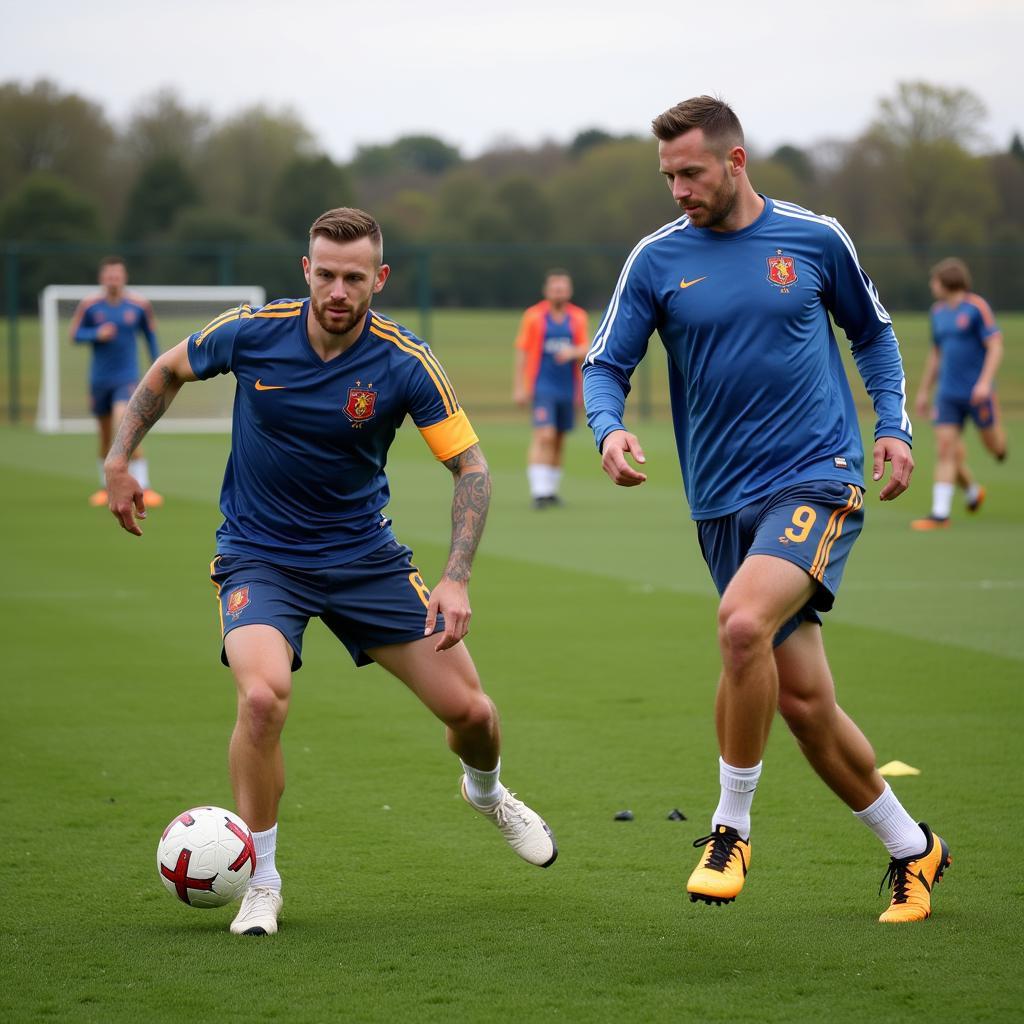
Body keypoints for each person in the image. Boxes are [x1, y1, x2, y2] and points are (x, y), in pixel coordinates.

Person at [104, 208, 556, 937]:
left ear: (378, 278)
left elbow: (471, 468)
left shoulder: (404, 361)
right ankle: (263, 881)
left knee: (473, 715)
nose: (338, 289)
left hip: (364, 560)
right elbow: (167, 369)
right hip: (261, 555)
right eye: (326, 274)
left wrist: (457, 576)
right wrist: (121, 459)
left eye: (354, 277)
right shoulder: (252, 331)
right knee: (262, 699)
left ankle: (487, 793)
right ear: (305, 271)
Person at [583, 96, 949, 923]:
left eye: (692, 173)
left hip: (817, 476)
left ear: (736, 161)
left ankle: (729, 828)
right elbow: (605, 365)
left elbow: (875, 334)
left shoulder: (813, 239)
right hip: (719, 500)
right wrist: (607, 430)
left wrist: (892, 425)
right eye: (668, 175)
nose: (678, 189)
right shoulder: (655, 260)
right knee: (804, 706)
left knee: (742, 627)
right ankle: (914, 850)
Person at [911, 257, 1007, 530]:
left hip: (978, 394)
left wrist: (984, 383)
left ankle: (980, 482)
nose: (932, 286)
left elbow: (996, 345)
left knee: (993, 447)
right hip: (948, 395)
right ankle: (940, 514)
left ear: (946, 281)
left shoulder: (977, 308)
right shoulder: (937, 312)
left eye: (934, 281)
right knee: (945, 449)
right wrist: (923, 392)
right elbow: (936, 354)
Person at [70, 256, 163, 507]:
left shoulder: (139, 305)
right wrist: (95, 334)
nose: (113, 279)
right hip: (100, 380)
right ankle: (105, 487)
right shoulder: (90, 305)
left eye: (117, 275)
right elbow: (74, 334)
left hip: (128, 378)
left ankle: (145, 486)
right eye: (109, 275)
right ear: (103, 278)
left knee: (125, 423)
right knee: (104, 435)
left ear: (124, 277)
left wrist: (160, 365)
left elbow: (150, 336)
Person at [513, 270, 590, 507]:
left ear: (569, 291)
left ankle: (550, 490)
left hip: (568, 385)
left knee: (558, 438)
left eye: (563, 288)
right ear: (547, 291)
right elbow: (523, 351)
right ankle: (538, 492)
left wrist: (573, 353)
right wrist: (520, 386)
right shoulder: (534, 316)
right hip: (542, 385)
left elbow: (586, 347)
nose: (559, 292)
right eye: (555, 288)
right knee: (543, 434)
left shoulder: (577, 317)